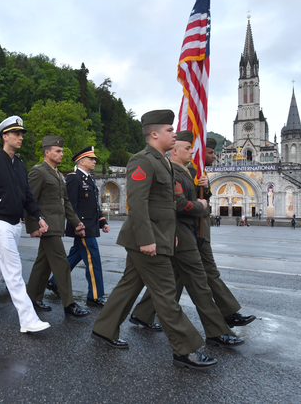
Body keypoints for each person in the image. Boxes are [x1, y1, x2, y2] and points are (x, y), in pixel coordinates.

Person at [92, 110, 217, 371]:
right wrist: (148, 239)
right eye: (170, 130)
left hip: (157, 238)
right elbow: (137, 204)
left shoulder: (165, 162)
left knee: (129, 286)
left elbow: (165, 206)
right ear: (155, 134)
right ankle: (185, 349)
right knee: (166, 293)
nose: (174, 133)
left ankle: (104, 329)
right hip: (145, 241)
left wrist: (170, 236)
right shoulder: (143, 160)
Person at [129, 131, 243, 347]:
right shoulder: (166, 170)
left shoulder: (186, 172)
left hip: (184, 232)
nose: (193, 152)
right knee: (195, 284)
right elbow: (174, 204)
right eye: (188, 148)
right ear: (175, 150)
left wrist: (204, 188)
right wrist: (199, 208)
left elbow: (192, 199)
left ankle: (138, 317)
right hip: (179, 231)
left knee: (167, 283)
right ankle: (209, 334)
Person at [0, 116, 50, 333]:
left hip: (14, 225)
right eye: (16, 134)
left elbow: (27, 197)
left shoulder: (21, 166)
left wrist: (38, 216)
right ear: (5, 136)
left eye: (22, 134)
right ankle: (28, 319)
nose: (21, 137)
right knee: (14, 270)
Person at [194, 138, 256, 329]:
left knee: (182, 277)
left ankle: (144, 313)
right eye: (212, 152)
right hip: (192, 232)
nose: (215, 156)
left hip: (199, 232)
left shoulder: (201, 173)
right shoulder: (191, 171)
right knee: (204, 276)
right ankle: (223, 321)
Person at [25, 135, 89, 317]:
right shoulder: (38, 172)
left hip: (56, 225)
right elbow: (30, 200)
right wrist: (33, 226)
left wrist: (76, 222)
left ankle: (32, 298)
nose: (62, 154)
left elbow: (65, 202)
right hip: (46, 225)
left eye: (61, 151)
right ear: (47, 152)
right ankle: (69, 305)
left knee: (43, 264)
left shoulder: (58, 174)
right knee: (61, 263)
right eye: (58, 151)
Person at [47, 146, 109, 307]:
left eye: (94, 159)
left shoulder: (90, 179)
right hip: (82, 227)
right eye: (91, 159)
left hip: (90, 226)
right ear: (81, 161)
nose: (94, 161)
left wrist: (102, 221)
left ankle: (54, 281)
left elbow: (94, 205)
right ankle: (94, 296)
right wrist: (76, 225)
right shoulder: (74, 178)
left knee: (75, 256)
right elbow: (71, 205)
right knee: (93, 259)